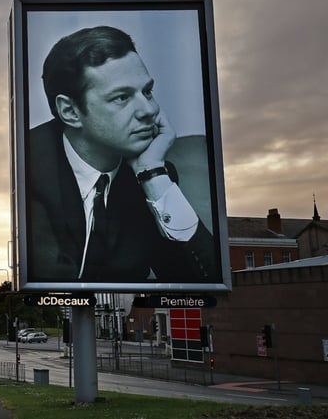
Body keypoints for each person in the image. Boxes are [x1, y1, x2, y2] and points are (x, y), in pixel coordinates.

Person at [29, 25, 219, 284]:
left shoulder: (149, 175)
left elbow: (201, 282)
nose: (149, 110)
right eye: (121, 98)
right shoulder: (30, 170)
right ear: (70, 111)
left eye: (147, 91)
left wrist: (153, 175)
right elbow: (52, 282)